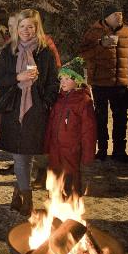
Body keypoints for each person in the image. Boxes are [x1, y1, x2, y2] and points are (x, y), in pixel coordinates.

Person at [0, 9, 59, 216]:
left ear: (37, 28)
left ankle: (22, 196)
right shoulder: (8, 51)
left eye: (31, 26)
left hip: (35, 108)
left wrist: (45, 103)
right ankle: (24, 197)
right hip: (13, 107)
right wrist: (17, 77)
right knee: (20, 154)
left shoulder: (44, 52)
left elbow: (53, 83)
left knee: (25, 153)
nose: (26, 31)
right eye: (22, 27)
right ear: (16, 29)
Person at [79, 4, 128, 163]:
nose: (119, 17)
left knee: (121, 118)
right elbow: (83, 54)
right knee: (100, 118)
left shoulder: (127, 31)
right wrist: (100, 45)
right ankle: (102, 150)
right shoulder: (94, 32)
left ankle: (119, 152)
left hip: (120, 84)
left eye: (120, 14)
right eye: (115, 14)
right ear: (106, 17)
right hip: (100, 83)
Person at [44, 57, 97, 197]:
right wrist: (46, 145)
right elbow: (50, 124)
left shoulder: (83, 102)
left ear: (77, 81)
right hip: (55, 149)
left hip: (72, 151)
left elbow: (89, 132)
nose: (63, 82)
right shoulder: (58, 99)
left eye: (68, 79)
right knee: (55, 180)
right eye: (61, 79)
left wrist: (87, 156)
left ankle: (72, 207)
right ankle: (55, 208)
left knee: (71, 182)